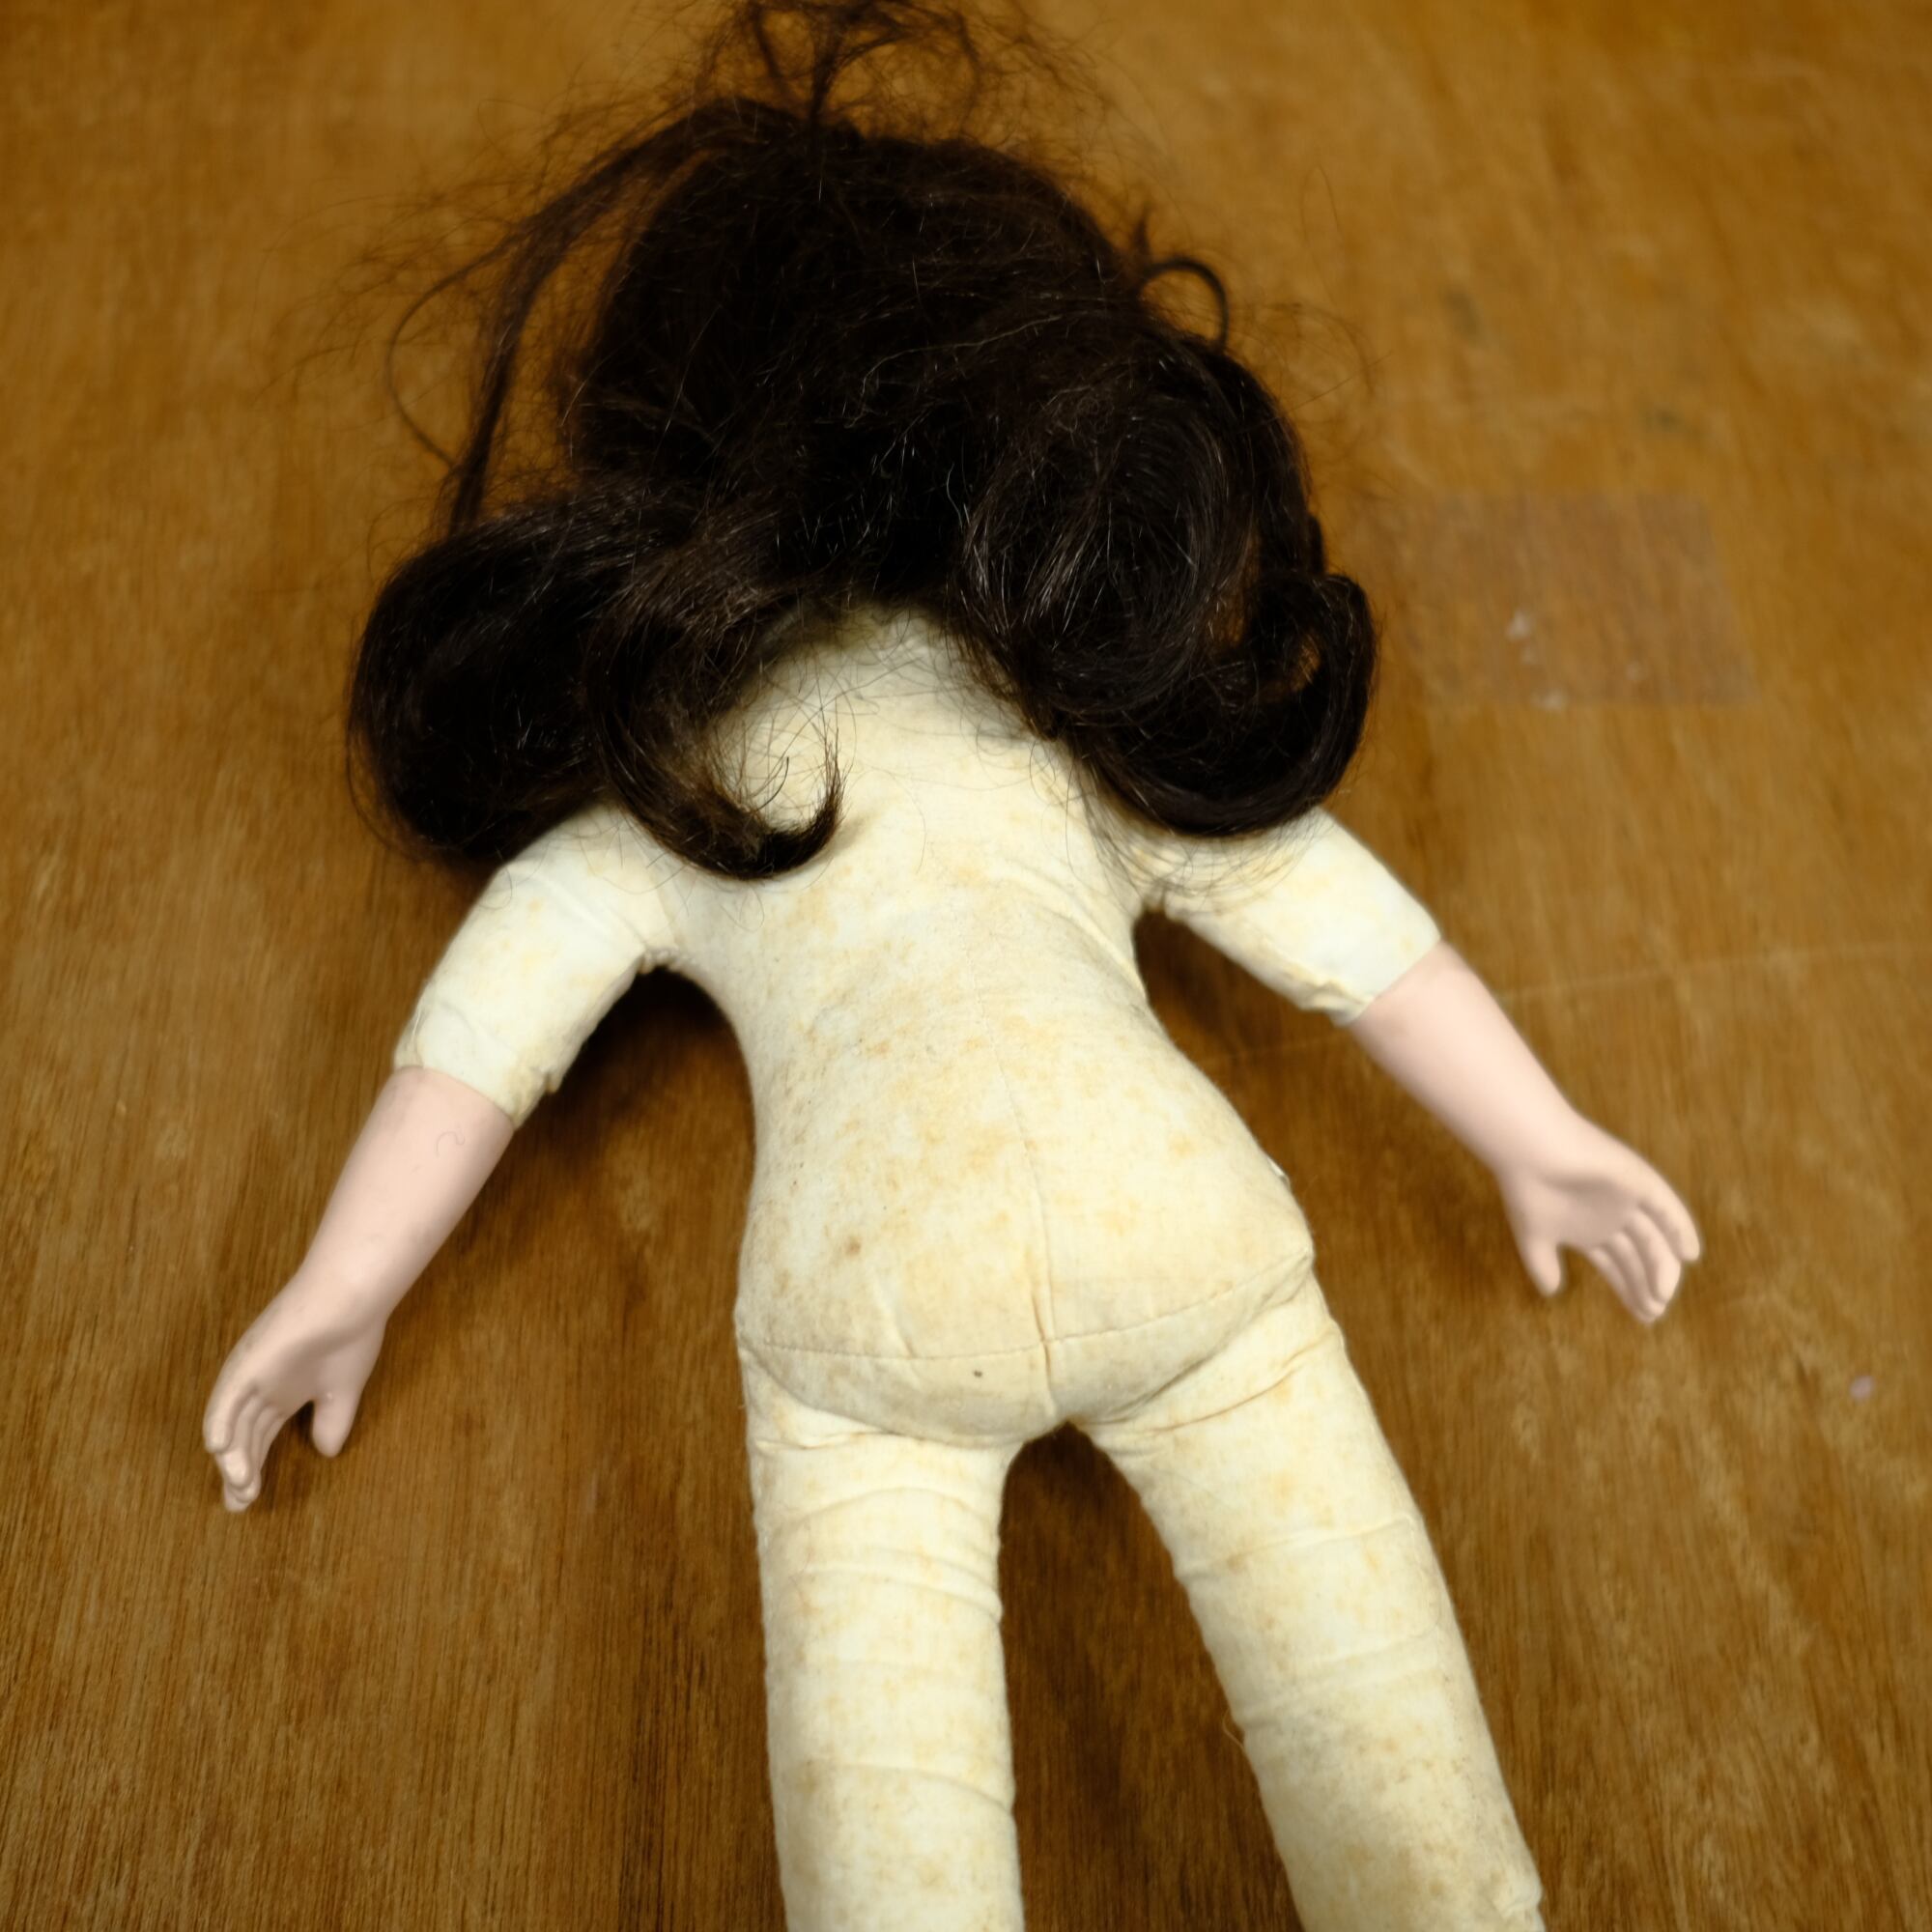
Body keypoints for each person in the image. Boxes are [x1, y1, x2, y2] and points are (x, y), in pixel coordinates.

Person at [204, 8, 1700, 1925]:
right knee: (1366, 1699)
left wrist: (342, 1286)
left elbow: (484, 1033)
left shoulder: (681, 791)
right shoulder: (1075, 725)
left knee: (886, 1812)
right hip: (1181, 1227)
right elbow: (1346, 931)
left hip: (860, 1315)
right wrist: (1540, 1136)